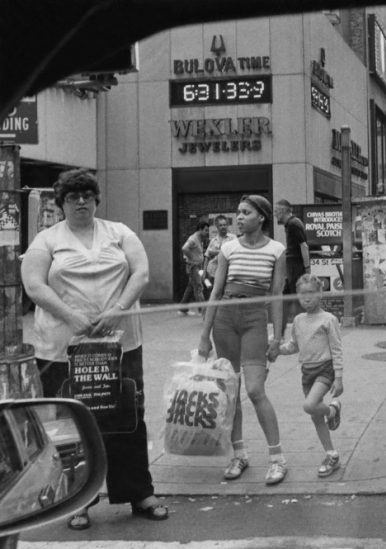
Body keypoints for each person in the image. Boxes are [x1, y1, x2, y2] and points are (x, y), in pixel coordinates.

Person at [21, 169, 169, 529]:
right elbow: (34, 285)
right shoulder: (47, 239)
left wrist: (117, 309)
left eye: (87, 195)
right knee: (71, 424)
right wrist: (72, 317)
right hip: (62, 349)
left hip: (120, 346)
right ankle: (77, 501)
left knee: (127, 417)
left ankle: (138, 491)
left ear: (96, 199)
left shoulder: (119, 232)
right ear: (61, 203)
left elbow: (140, 274)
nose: (81, 202)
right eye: (73, 197)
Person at [198, 195, 288, 486]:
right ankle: (239, 454)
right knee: (231, 392)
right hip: (225, 319)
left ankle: (277, 459)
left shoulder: (276, 250)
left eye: (245, 212)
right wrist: (204, 336)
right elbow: (216, 291)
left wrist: (277, 337)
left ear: (261, 217)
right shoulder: (228, 248)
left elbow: (276, 295)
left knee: (255, 390)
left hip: (254, 320)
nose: (238, 217)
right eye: (238, 212)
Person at [276, 274, 344, 477]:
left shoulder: (329, 320)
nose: (307, 298)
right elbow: (293, 346)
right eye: (302, 294)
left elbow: (337, 350)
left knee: (309, 405)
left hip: (325, 369)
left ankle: (332, 411)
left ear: (320, 293)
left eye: (311, 293)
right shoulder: (298, 320)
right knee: (315, 416)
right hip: (307, 372)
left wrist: (338, 377)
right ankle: (331, 454)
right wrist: (277, 350)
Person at [274, 199, 311, 333]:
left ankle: (304, 331)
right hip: (293, 265)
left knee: (297, 299)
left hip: (295, 266)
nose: (275, 214)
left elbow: (304, 246)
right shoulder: (292, 223)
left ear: (284, 210)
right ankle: (280, 331)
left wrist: (307, 268)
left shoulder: (293, 224)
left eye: (276, 211)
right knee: (286, 299)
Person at [179, 220, 209, 316]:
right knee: (199, 287)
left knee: (191, 287)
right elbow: (184, 248)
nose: (207, 232)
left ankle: (183, 308)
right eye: (206, 230)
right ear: (200, 229)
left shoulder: (199, 238)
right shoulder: (193, 238)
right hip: (194, 267)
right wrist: (192, 259)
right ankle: (203, 310)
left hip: (196, 266)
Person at [204, 215, 237, 296]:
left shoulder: (233, 239)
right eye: (221, 225)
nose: (223, 227)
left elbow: (234, 253)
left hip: (226, 272)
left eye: (225, 225)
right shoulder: (213, 240)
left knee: (224, 294)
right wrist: (204, 272)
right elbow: (207, 257)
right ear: (217, 227)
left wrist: (215, 252)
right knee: (213, 294)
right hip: (212, 272)